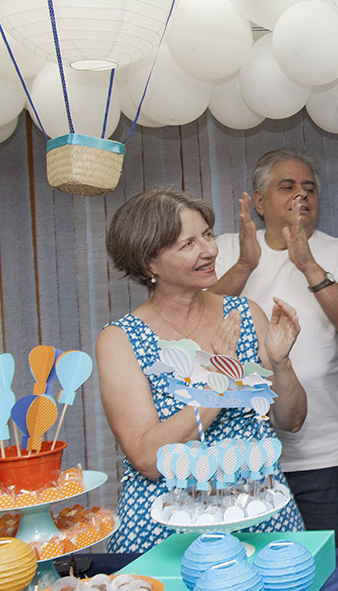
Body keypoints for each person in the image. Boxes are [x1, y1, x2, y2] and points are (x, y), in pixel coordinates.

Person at [97, 189, 307, 552]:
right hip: (168, 528)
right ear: (149, 264)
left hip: (258, 514)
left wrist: (281, 363)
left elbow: (291, 420)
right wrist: (220, 383)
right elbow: (147, 459)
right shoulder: (120, 340)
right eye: (188, 244)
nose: (209, 250)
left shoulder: (244, 314)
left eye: (208, 235)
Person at [213, 149, 338, 548]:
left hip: (324, 456)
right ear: (259, 202)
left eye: (309, 188)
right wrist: (244, 266)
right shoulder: (227, 249)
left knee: (328, 568)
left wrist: (309, 265)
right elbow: (195, 325)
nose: (301, 195)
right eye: (288, 187)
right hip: (240, 455)